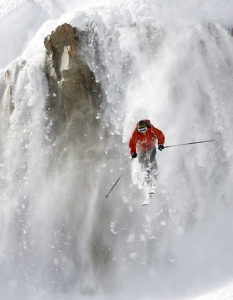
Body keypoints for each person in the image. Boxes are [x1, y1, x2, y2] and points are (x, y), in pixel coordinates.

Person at [128, 119, 165, 184]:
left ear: (146, 128)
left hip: (151, 147)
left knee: (152, 160)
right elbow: (131, 143)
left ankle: (154, 176)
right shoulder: (135, 133)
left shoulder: (151, 129)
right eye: (140, 130)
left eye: (144, 129)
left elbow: (160, 135)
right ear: (138, 129)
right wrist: (133, 152)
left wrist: (160, 144)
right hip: (141, 149)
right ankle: (146, 178)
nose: (142, 132)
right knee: (142, 162)